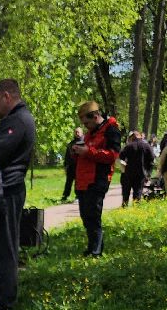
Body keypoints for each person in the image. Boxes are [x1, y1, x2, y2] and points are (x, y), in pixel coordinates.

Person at [0, 79, 36, 310]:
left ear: (7, 96)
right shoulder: (14, 120)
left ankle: (4, 303)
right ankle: (2, 298)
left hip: (8, 190)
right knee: (0, 247)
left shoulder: (17, 121)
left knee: (4, 249)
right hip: (6, 189)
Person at [72, 101, 122, 257]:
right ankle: (91, 246)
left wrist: (88, 151)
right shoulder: (90, 133)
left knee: (93, 215)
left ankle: (96, 250)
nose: (85, 126)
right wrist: (76, 151)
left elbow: (113, 155)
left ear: (95, 116)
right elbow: (86, 152)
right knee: (85, 215)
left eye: (87, 122)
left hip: (98, 179)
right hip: (83, 180)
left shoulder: (111, 130)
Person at [119, 129, 154, 209]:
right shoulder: (146, 146)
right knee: (138, 192)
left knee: (126, 192)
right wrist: (148, 173)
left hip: (128, 173)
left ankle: (124, 207)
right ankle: (136, 209)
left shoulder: (128, 146)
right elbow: (151, 159)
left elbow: (121, 157)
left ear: (132, 137)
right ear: (140, 136)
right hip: (141, 173)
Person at [58, 127, 83, 203]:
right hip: (71, 167)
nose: (77, 133)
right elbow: (67, 156)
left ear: (82, 133)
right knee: (68, 182)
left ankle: (78, 197)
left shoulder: (84, 143)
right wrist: (65, 166)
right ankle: (65, 196)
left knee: (78, 182)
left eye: (78, 132)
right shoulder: (70, 144)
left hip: (80, 166)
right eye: (76, 132)